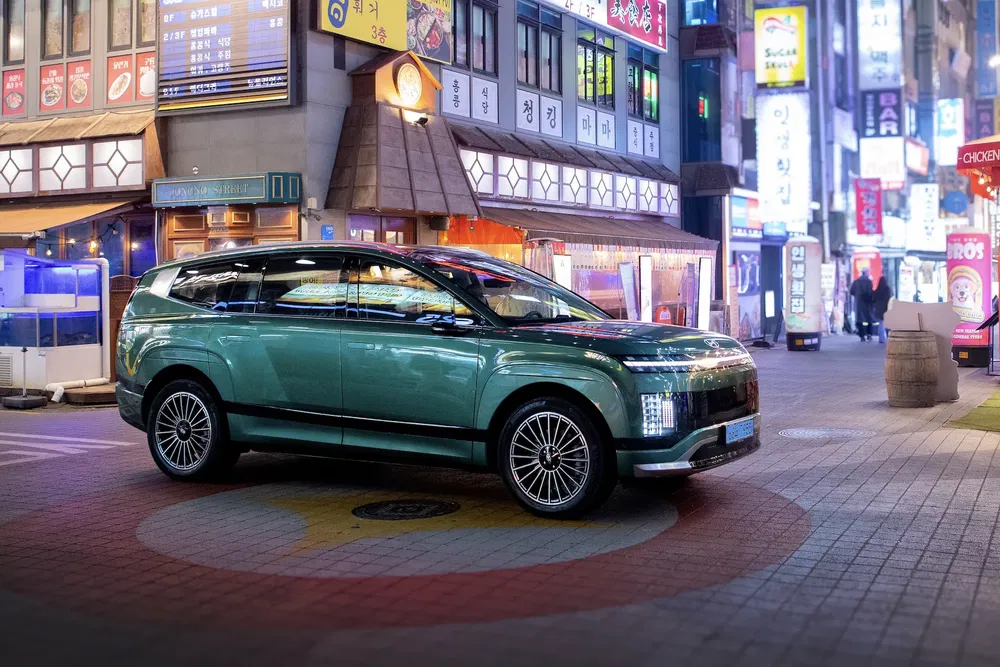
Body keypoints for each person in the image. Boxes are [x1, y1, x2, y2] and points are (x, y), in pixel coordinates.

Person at [849, 268, 875, 341]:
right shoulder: (869, 282)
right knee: (868, 319)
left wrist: (857, 295)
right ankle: (869, 334)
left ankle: (862, 336)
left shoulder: (856, 282)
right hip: (867, 304)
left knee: (860, 320)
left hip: (859, 303)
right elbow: (870, 292)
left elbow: (851, 291)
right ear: (866, 273)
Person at [872, 276, 893, 344]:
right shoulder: (888, 289)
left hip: (879, 309)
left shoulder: (878, 290)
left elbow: (873, 298)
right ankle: (888, 337)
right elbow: (890, 298)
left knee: (881, 324)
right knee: (888, 325)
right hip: (886, 308)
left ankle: (881, 338)